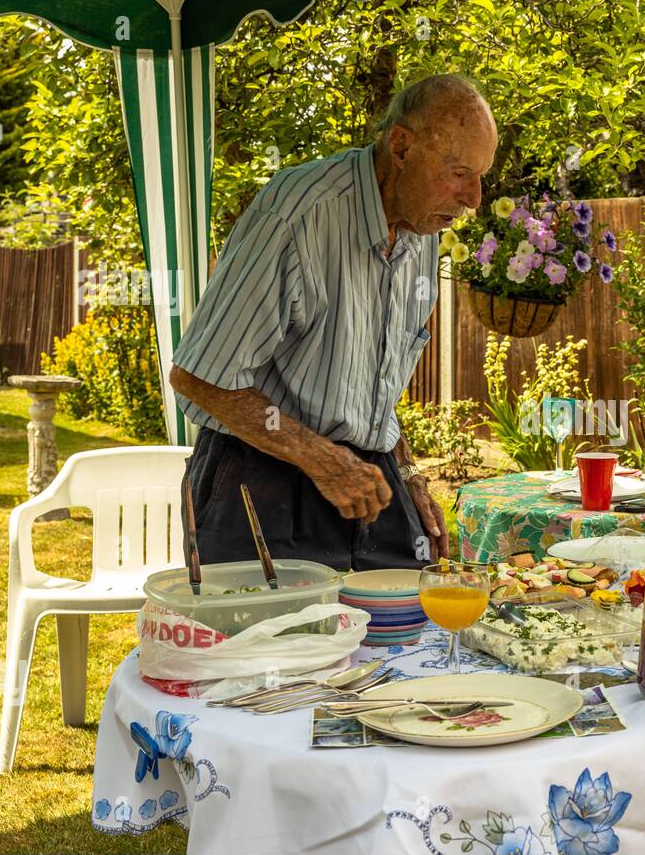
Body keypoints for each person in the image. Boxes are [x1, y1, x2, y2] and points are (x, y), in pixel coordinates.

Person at [170, 74, 497, 572]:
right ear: (402, 147)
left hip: (365, 475)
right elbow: (198, 377)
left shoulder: (422, 229)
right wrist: (323, 459)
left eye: (480, 175)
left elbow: (375, 388)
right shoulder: (299, 211)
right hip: (261, 478)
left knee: (404, 637)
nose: (474, 198)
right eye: (458, 172)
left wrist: (408, 472)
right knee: (282, 646)